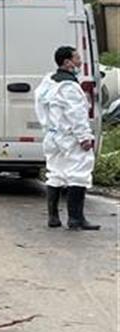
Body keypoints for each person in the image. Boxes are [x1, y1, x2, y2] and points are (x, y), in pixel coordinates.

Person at [34, 46, 99, 230]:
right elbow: (77, 114)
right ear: (67, 62)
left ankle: (53, 218)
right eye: (77, 58)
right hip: (70, 137)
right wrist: (84, 137)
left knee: (55, 173)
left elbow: (40, 106)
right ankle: (76, 219)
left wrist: (48, 126)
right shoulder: (69, 87)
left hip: (53, 136)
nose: (80, 61)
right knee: (78, 174)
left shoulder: (49, 82)